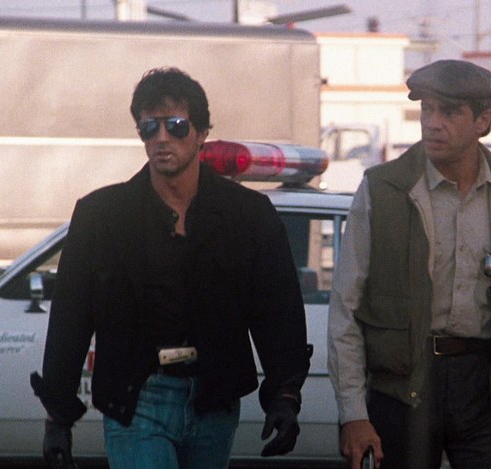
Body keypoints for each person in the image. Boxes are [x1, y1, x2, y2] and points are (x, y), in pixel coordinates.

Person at [29, 67, 310, 469]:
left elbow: (277, 310)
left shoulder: (247, 215)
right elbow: (70, 317)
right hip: (138, 398)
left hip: (213, 399)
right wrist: (57, 418)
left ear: (201, 133)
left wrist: (285, 396)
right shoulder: (101, 216)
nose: (162, 137)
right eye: (150, 127)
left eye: (176, 126)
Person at [327, 59, 491, 469]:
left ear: (483, 121)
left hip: (487, 384)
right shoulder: (384, 189)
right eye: (426, 109)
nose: (433, 123)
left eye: (450, 112)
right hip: (404, 386)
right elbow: (345, 307)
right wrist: (354, 414)